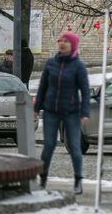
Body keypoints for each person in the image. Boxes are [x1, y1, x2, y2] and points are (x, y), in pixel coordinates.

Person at [34, 32, 90, 195]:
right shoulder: (51, 64)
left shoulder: (78, 66)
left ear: (73, 45)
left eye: (66, 41)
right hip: (51, 110)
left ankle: (78, 180)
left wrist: (85, 112)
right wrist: (36, 108)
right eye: (61, 41)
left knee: (74, 146)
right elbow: (43, 87)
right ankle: (43, 179)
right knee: (48, 145)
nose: (62, 43)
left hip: (71, 112)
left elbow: (85, 91)